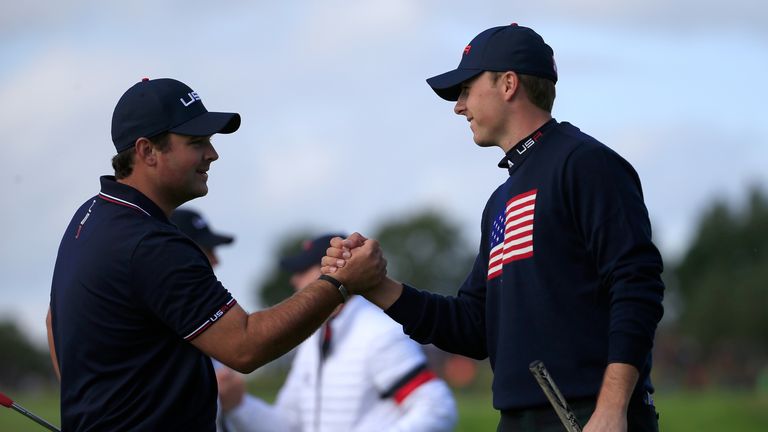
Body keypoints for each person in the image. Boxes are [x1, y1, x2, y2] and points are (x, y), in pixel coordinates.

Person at [322, 24, 665, 432]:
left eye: (466, 89)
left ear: (507, 84)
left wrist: (611, 408)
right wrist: (376, 285)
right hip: (519, 420)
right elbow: (473, 327)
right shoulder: (500, 201)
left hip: (592, 417)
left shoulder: (586, 164)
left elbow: (637, 284)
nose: (458, 106)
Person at [46, 77, 384, 431]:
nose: (212, 153)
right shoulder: (151, 243)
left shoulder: (91, 214)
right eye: (196, 142)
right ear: (147, 151)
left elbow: (54, 321)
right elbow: (245, 346)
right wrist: (340, 283)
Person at [215, 233, 458, 432]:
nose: (294, 280)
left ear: (331, 268)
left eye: (302, 270)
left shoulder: (378, 333)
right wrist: (239, 405)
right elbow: (288, 425)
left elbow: (438, 409)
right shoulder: (315, 337)